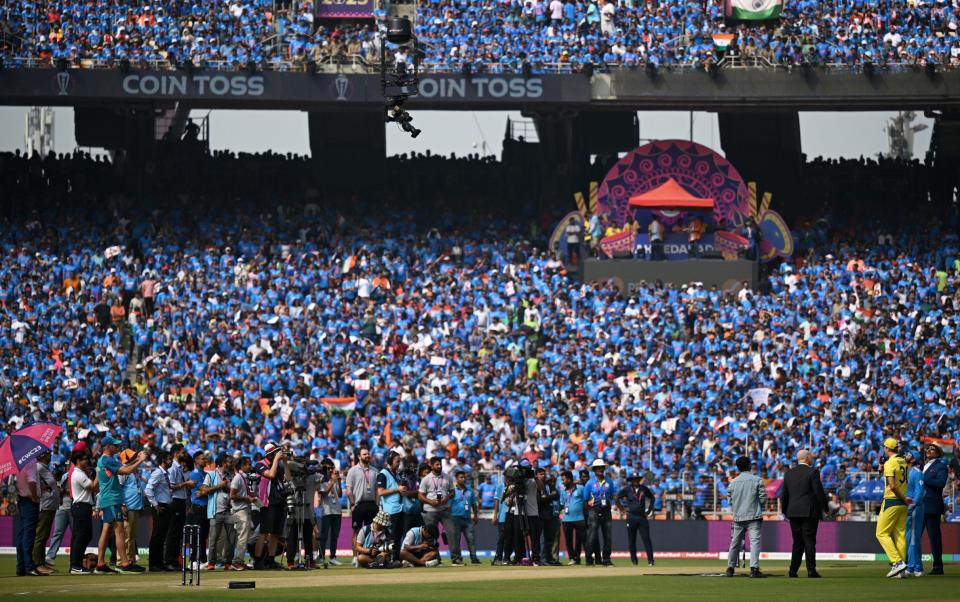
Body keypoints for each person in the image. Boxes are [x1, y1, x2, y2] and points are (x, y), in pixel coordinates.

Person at [94, 435, 147, 573]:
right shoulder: (108, 460)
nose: (117, 447)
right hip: (112, 499)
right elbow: (126, 471)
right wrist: (140, 460)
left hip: (108, 499)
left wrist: (135, 460)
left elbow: (123, 468)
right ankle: (124, 563)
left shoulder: (102, 460)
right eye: (114, 445)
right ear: (107, 447)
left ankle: (100, 564)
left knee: (106, 532)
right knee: (120, 532)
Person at [781, 449, 827, 578]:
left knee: (797, 542)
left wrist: (785, 511)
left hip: (793, 512)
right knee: (809, 541)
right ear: (807, 458)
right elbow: (819, 492)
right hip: (809, 512)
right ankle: (811, 570)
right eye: (811, 455)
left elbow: (784, 494)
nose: (812, 457)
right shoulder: (813, 472)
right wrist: (825, 508)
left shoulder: (789, 473)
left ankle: (793, 570)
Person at [724, 457, 765, 578]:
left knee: (735, 543)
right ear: (749, 466)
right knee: (754, 542)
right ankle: (754, 568)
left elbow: (729, 500)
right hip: (754, 516)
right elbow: (762, 499)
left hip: (738, 517)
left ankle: (730, 568)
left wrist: (737, 507)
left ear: (738, 467)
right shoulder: (757, 480)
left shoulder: (733, 482)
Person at [876, 438, 910, 578]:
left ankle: (897, 562)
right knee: (900, 534)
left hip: (892, 500)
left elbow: (892, 486)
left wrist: (903, 498)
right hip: (903, 503)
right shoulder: (903, 461)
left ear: (887, 448)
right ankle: (901, 571)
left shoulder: (890, 463)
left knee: (881, 533)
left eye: (884, 447)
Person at [199, 454, 236, 571]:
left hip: (229, 511)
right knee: (214, 538)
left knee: (231, 538)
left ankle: (228, 562)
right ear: (222, 463)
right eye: (228, 462)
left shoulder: (231, 475)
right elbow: (203, 490)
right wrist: (219, 486)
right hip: (216, 511)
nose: (230, 464)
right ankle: (211, 563)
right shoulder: (211, 474)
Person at [253, 441, 286, 570]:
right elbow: (271, 475)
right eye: (276, 452)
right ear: (271, 453)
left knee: (276, 533)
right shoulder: (260, 465)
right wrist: (277, 460)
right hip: (267, 503)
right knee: (264, 532)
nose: (279, 454)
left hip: (280, 502)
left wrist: (286, 463)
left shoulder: (279, 465)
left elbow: (287, 479)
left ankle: (271, 560)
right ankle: (258, 560)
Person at [418, 456, 456, 564]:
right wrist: (430, 502)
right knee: (430, 536)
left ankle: (455, 558)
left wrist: (447, 498)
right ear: (431, 465)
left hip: (445, 509)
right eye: (437, 464)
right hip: (430, 510)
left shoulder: (448, 477)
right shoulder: (426, 479)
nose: (439, 466)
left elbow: (453, 492)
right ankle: (435, 559)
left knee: (452, 533)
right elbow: (420, 496)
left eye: (440, 464)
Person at [164, 444, 195, 570]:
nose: (185, 454)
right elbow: (171, 487)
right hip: (175, 501)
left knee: (178, 533)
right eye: (183, 452)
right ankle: (170, 561)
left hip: (181, 501)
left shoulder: (178, 467)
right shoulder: (173, 468)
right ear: (176, 453)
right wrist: (186, 483)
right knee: (173, 532)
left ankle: (176, 561)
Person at [346, 446, 378, 563]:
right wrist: (353, 504)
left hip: (372, 505)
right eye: (364, 454)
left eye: (368, 453)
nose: (367, 456)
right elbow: (349, 490)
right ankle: (355, 557)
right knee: (357, 531)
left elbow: (377, 491)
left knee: (372, 532)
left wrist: (377, 505)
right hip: (358, 505)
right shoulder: (352, 471)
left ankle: (369, 556)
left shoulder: (374, 470)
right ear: (359, 456)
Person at [616, 473, 655, 567]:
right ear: (631, 480)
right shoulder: (627, 489)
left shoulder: (644, 488)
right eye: (634, 479)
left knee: (646, 539)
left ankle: (650, 561)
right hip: (631, 517)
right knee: (631, 540)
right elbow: (616, 498)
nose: (636, 481)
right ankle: (634, 561)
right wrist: (622, 509)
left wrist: (649, 510)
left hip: (642, 518)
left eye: (637, 479)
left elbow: (652, 498)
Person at [921, 443, 948, 575]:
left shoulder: (941, 466)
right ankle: (910, 563)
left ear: (938, 452)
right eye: (928, 449)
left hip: (932, 506)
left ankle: (938, 566)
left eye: (932, 449)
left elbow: (941, 483)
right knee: (913, 536)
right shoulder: (922, 466)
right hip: (919, 505)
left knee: (934, 538)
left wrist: (924, 479)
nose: (929, 450)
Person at [144, 451, 174, 572]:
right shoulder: (158, 473)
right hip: (160, 506)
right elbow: (148, 489)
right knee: (157, 536)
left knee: (161, 536)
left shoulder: (164, 473)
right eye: (169, 459)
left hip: (165, 505)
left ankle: (159, 563)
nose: (171, 461)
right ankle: (153, 564)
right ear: (162, 460)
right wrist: (156, 505)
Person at [376, 451, 407, 563]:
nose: (399, 463)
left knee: (398, 537)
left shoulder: (396, 473)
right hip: (390, 511)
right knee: (391, 537)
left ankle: (397, 559)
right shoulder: (383, 474)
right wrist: (397, 489)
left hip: (399, 509)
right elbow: (380, 492)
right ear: (390, 461)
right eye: (397, 461)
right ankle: (389, 559)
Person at [69, 451, 97, 574]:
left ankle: (76, 564)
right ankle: (76, 566)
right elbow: (93, 487)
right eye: (85, 459)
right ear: (78, 461)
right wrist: (99, 474)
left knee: (84, 536)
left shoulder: (80, 473)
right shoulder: (78, 474)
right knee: (81, 537)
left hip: (82, 507)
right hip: (81, 507)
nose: (87, 461)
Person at [118, 448, 147, 568]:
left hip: (135, 507)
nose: (135, 458)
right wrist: (122, 505)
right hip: (128, 507)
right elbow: (118, 489)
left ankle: (131, 561)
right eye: (133, 456)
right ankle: (122, 562)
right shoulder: (123, 472)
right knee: (126, 536)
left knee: (132, 536)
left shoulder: (134, 472)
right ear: (127, 460)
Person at [16, 457, 44, 576]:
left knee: (22, 533)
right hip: (29, 501)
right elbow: (32, 481)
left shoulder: (18, 461)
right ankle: (29, 566)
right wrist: (34, 497)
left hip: (22, 499)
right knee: (29, 534)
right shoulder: (30, 461)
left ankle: (21, 566)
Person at [31, 451, 58, 575]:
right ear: (42, 456)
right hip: (45, 505)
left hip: (50, 505)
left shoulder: (44, 467)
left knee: (44, 535)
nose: (50, 455)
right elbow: (34, 484)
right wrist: (44, 489)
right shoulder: (38, 467)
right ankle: (38, 564)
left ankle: (41, 562)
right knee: (41, 535)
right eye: (47, 454)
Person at [585, 458, 615, 566]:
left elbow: (611, 496)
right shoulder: (589, 483)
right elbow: (585, 500)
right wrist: (590, 509)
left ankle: (606, 559)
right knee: (592, 536)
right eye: (598, 468)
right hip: (594, 511)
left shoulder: (609, 482)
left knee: (607, 536)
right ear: (594, 470)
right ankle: (589, 559)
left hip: (606, 511)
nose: (600, 470)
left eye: (602, 468)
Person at [229, 456, 257, 571]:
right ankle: (236, 562)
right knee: (242, 537)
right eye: (248, 464)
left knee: (244, 537)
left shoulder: (244, 478)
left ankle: (239, 561)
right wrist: (246, 498)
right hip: (240, 511)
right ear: (242, 466)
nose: (250, 466)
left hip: (245, 509)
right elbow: (232, 495)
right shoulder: (237, 478)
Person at [450, 470, 480, 565]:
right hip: (455, 518)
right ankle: (457, 558)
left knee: (471, 539)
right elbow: (448, 505)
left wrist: (475, 515)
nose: (463, 479)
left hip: (467, 519)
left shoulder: (469, 490)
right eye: (461, 477)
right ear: (456, 478)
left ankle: (474, 558)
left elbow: (474, 504)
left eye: (464, 477)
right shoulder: (452, 490)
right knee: (456, 540)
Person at [317, 458, 343, 566]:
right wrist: (333, 481)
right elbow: (323, 494)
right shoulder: (320, 479)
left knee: (335, 535)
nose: (330, 470)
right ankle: (321, 557)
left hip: (337, 510)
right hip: (327, 511)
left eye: (331, 467)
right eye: (328, 468)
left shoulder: (334, 479)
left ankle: (333, 557)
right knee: (324, 536)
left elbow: (340, 494)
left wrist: (339, 481)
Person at [187, 451, 210, 565]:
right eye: (202, 459)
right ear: (195, 460)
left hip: (206, 506)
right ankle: (194, 559)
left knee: (204, 534)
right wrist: (214, 488)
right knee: (198, 534)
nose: (205, 461)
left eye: (205, 459)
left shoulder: (205, 474)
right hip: (198, 507)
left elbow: (205, 491)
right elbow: (204, 490)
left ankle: (202, 558)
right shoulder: (195, 474)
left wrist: (207, 491)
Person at [904, 450, 925, 577]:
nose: (905, 455)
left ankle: (911, 567)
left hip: (914, 508)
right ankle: (918, 567)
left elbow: (920, 492)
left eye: (908, 454)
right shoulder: (905, 471)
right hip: (907, 508)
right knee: (911, 538)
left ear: (913, 459)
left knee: (912, 538)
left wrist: (912, 507)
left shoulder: (917, 473)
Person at [560, 470, 587, 565]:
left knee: (584, 539)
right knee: (568, 541)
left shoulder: (581, 488)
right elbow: (562, 504)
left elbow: (586, 501)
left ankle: (588, 559)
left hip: (579, 518)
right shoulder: (563, 491)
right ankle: (573, 558)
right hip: (566, 519)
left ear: (569, 479)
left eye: (563, 479)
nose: (562, 482)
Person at [536, 467, 561, 566]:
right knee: (543, 539)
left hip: (550, 515)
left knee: (550, 539)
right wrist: (550, 496)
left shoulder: (549, 484)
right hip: (541, 515)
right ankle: (542, 559)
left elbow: (557, 495)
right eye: (540, 474)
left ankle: (550, 558)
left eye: (543, 474)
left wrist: (547, 497)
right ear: (536, 475)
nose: (543, 476)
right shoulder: (536, 485)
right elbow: (539, 500)